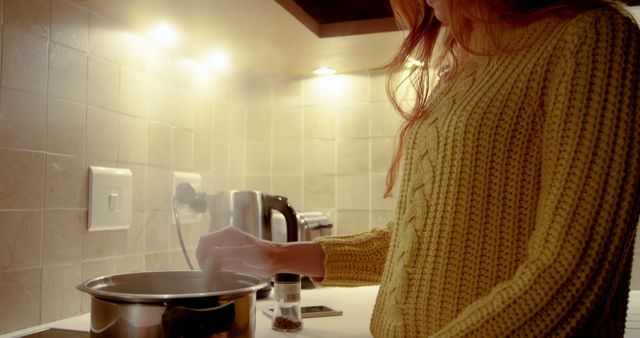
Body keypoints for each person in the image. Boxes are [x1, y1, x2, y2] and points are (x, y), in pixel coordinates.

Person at [197, 0, 640, 336]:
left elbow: (570, 275)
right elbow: (427, 244)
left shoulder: (592, 38)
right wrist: (275, 256)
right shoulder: (464, 67)